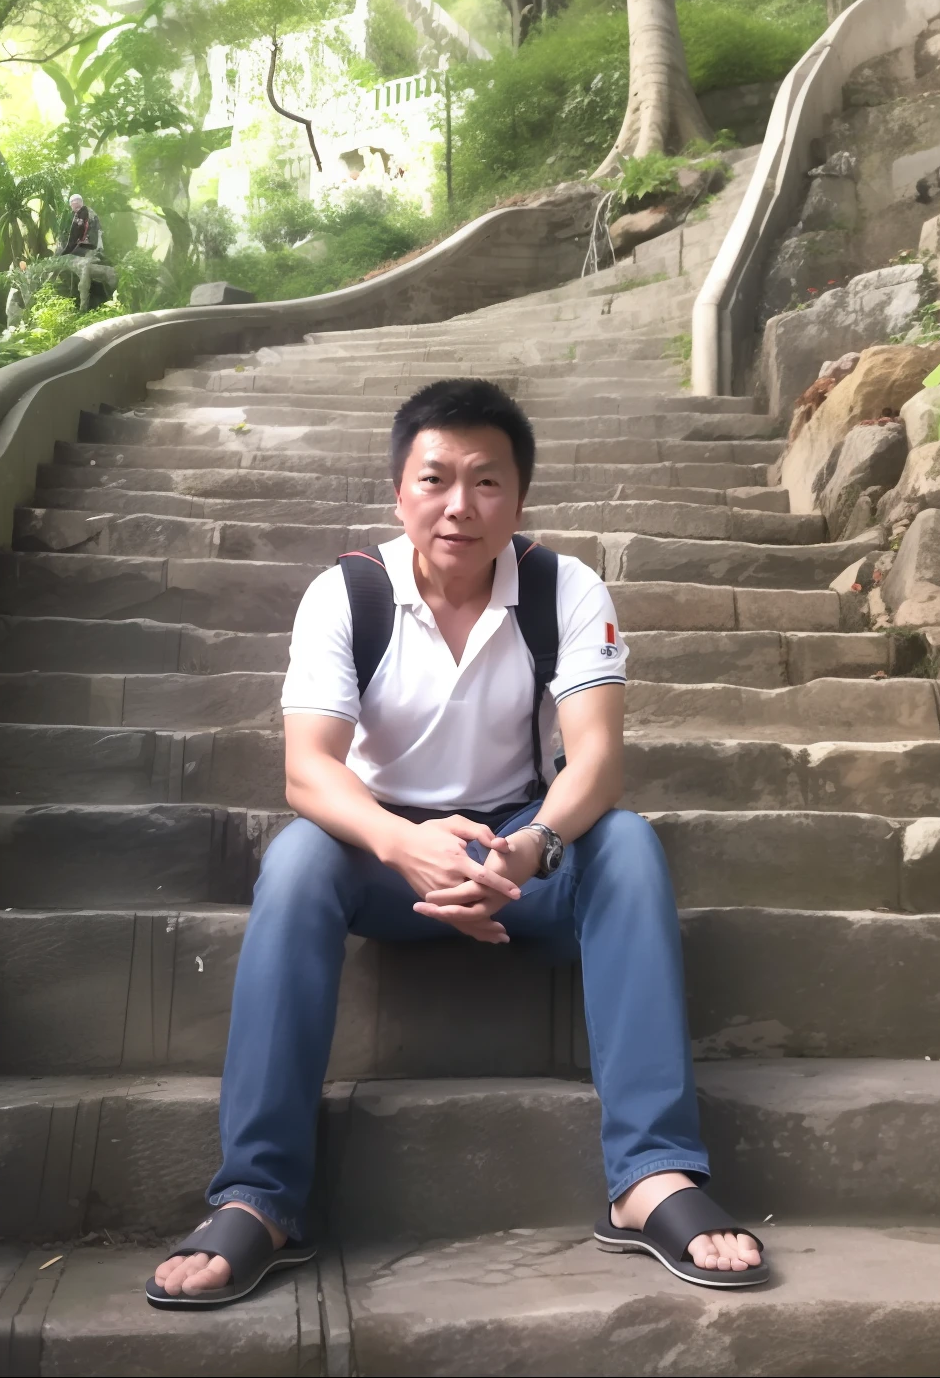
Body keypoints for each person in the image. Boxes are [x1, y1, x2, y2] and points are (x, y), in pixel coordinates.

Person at [147, 378, 767, 1310]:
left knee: (628, 844)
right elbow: (309, 772)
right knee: (296, 859)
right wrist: (404, 845)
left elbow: (595, 761)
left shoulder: (565, 586)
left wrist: (529, 850)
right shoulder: (344, 593)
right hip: (379, 847)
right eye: (435, 479)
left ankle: (653, 1177)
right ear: (400, 493)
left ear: (518, 500)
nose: (459, 506)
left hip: (518, 847)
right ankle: (260, 1195)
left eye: (487, 482)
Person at [55, 192, 114, 311]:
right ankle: (73, 295)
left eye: (77, 204)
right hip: (77, 249)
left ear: (81, 203)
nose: (75, 207)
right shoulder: (72, 215)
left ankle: (92, 303)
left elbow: (93, 232)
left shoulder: (89, 214)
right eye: (73, 205)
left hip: (90, 247)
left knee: (86, 272)